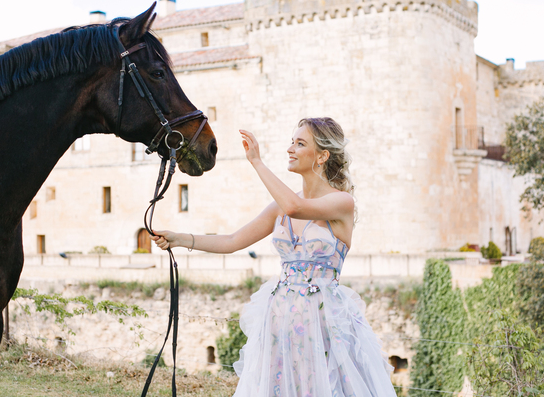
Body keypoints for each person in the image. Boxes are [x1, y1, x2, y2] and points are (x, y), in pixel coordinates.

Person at [152, 117, 398, 397]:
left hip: (324, 323)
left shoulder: (341, 202)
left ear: (322, 156)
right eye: (292, 142)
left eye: (300, 143)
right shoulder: (280, 207)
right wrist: (179, 239)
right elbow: (233, 241)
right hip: (279, 321)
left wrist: (257, 161)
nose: (290, 149)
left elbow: (295, 207)